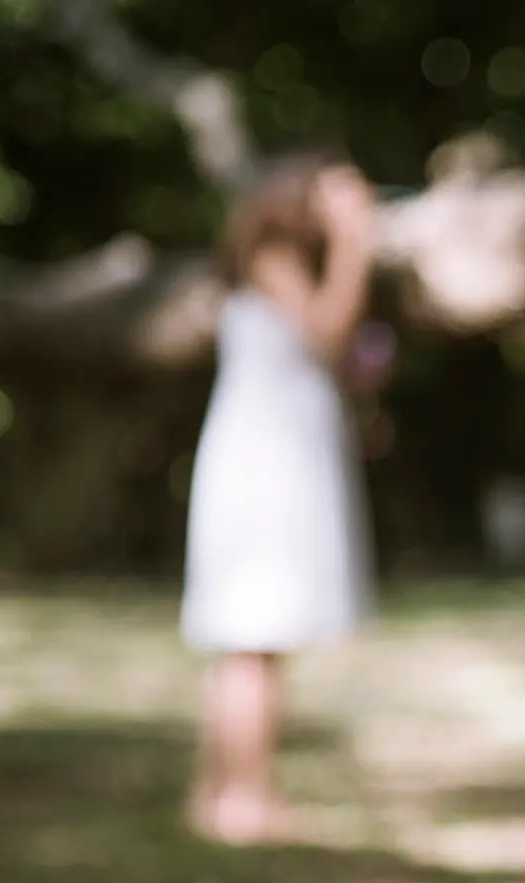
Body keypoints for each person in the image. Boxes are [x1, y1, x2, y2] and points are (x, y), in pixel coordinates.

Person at [180, 153, 378, 846]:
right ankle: (242, 798)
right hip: (267, 471)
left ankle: (225, 793)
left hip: (272, 461)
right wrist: (354, 245)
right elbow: (325, 334)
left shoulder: (272, 266)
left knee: (253, 641)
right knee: (252, 636)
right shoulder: (272, 257)